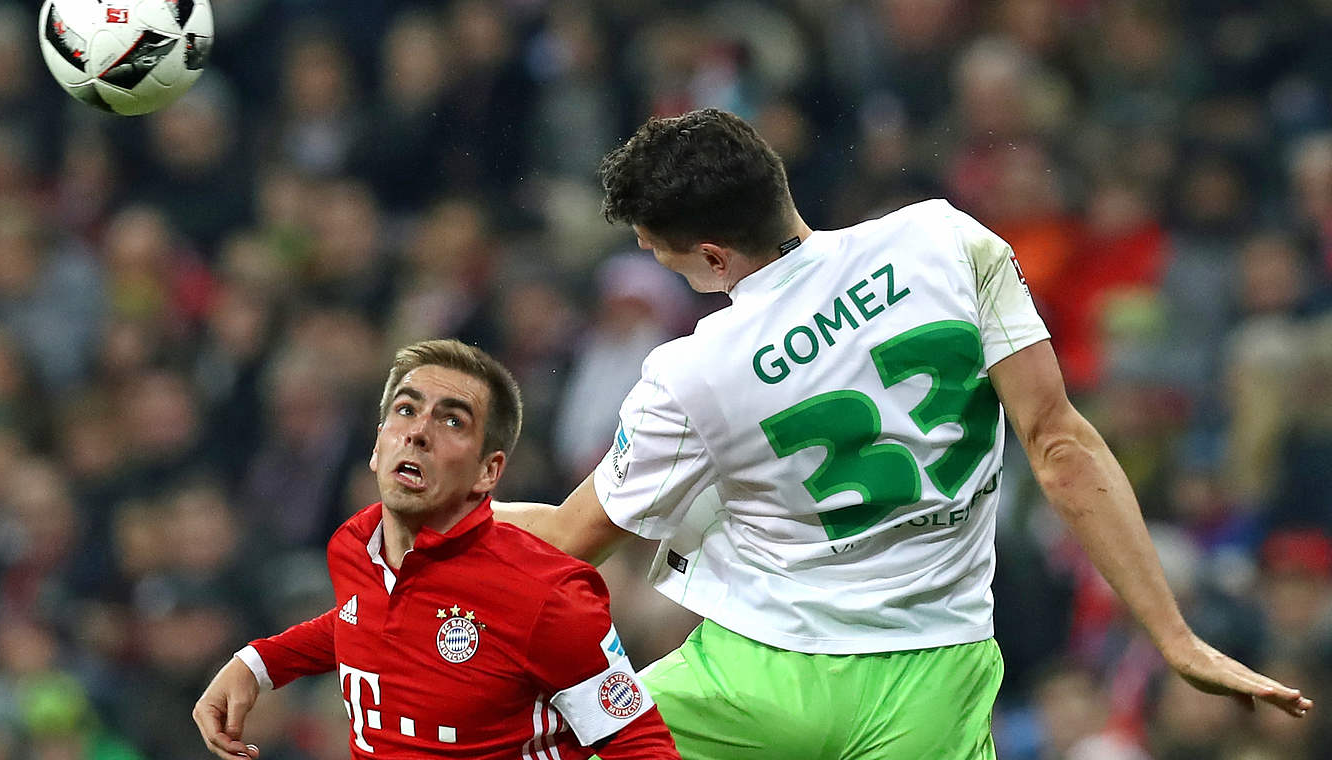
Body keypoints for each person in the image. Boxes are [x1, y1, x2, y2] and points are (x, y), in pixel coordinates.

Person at [496, 108, 1313, 759]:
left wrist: (420, 520)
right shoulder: (946, 241)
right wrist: (1175, 638)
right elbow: (1060, 448)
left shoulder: (692, 371)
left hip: (757, 680)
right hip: (935, 678)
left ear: (711, 257)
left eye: (666, 259)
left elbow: (569, 542)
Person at [192, 339, 680, 760]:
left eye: (452, 421)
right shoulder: (356, 546)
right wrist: (256, 665)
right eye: (405, 410)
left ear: (488, 472)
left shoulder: (545, 596)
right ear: (378, 445)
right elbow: (365, 618)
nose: (418, 431)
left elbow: (641, 745)